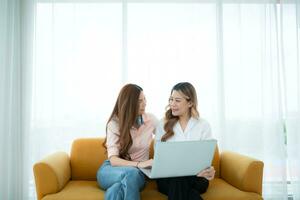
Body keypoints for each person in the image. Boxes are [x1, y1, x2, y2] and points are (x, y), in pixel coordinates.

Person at [155, 82, 215, 200]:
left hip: (196, 178)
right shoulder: (163, 124)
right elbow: (159, 157)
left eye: (177, 100)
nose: (172, 104)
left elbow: (206, 157)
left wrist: (209, 169)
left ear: (190, 102)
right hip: (168, 178)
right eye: (171, 99)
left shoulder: (203, 125)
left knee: (179, 183)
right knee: (182, 184)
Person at [97, 83, 157, 200]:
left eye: (144, 99)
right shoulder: (114, 124)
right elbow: (113, 161)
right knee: (130, 173)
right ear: (129, 103)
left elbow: (167, 138)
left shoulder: (151, 120)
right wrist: (140, 164)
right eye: (139, 101)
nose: (144, 103)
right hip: (110, 171)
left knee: (117, 189)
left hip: (137, 175)